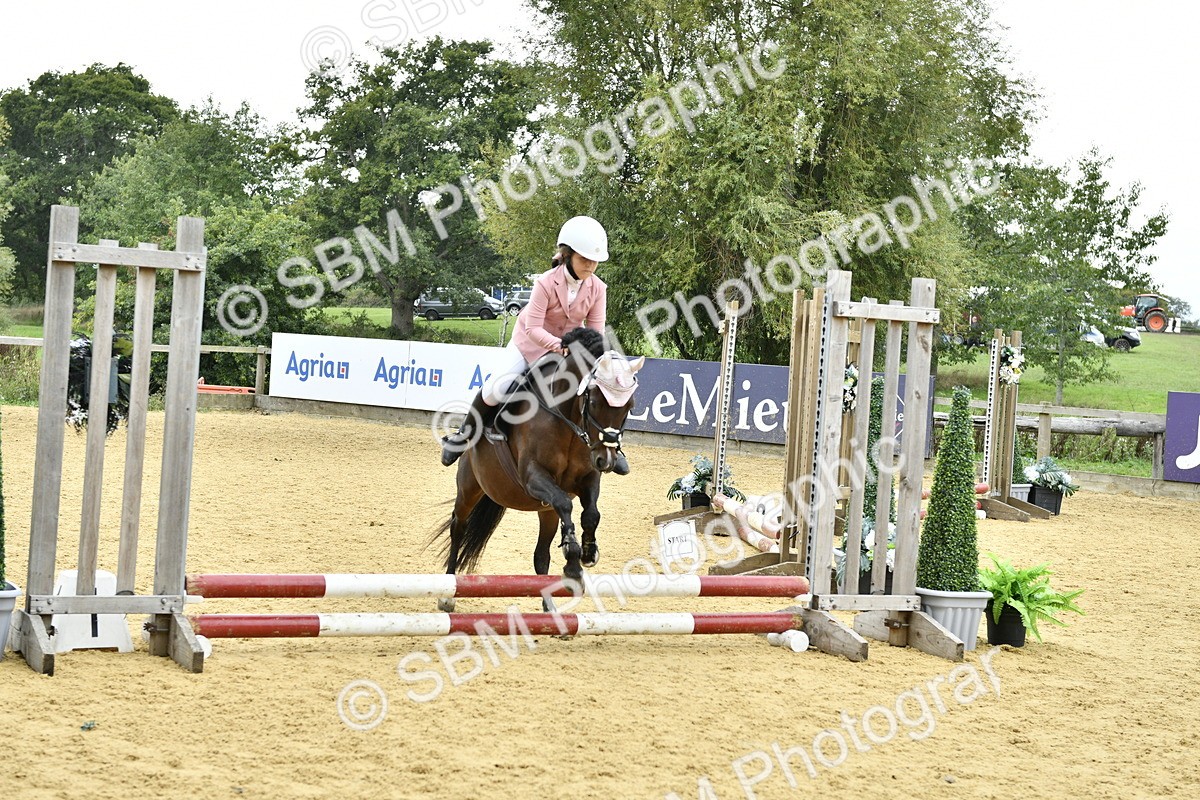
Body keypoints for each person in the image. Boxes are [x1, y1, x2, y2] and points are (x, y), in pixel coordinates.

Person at [440, 215, 630, 475]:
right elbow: (533, 328)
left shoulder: (598, 288)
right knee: (497, 387)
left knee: (599, 390)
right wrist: (561, 346)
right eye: (585, 259)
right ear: (568, 255)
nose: (590, 265)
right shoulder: (545, 282)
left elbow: (595, 332)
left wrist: (595, 359)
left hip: (568, 351)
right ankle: (463, 435)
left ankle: (611, 445)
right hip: (529, 345)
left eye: (595, 260)